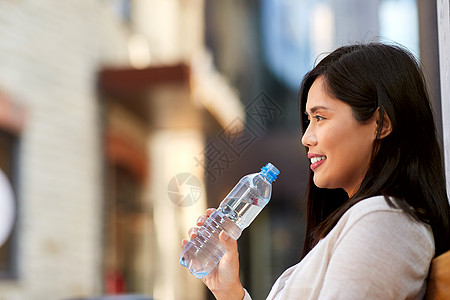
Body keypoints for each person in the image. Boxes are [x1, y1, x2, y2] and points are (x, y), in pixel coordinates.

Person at [181, 42, 450, 299]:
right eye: (308, 120)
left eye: (320, 117)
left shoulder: (385, 221)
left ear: (380, 123)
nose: (306, 137)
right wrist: (230, 293)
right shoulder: (365, 221)